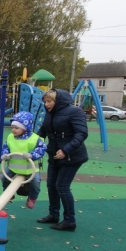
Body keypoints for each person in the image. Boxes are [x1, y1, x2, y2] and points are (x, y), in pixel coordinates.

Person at [36, 89, 89, 231]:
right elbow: (43, 131)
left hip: (72, 156)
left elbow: (81, 133)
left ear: (57, 101)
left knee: (62, 186)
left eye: (49, 101)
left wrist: (66, 150)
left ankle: (70, 221)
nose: (46, 104)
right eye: (45, 101)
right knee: (51, 185)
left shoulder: (74, 111)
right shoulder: (50, 113)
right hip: (54, 155)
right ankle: (53, 214)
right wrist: (34, 143)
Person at [0, 111, 47, 209]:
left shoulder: (34, 138)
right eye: (12, 127)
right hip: (13, 167)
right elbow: (6, 147)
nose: (13, 130)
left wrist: (32, 155)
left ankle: (32, 198)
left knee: (36, 183)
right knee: (4, 178)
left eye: (16, 128)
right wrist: (5, 154)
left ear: (25, 128)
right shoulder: (10, 137)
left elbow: (42, 148)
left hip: (30, 169)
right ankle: (8, 193)